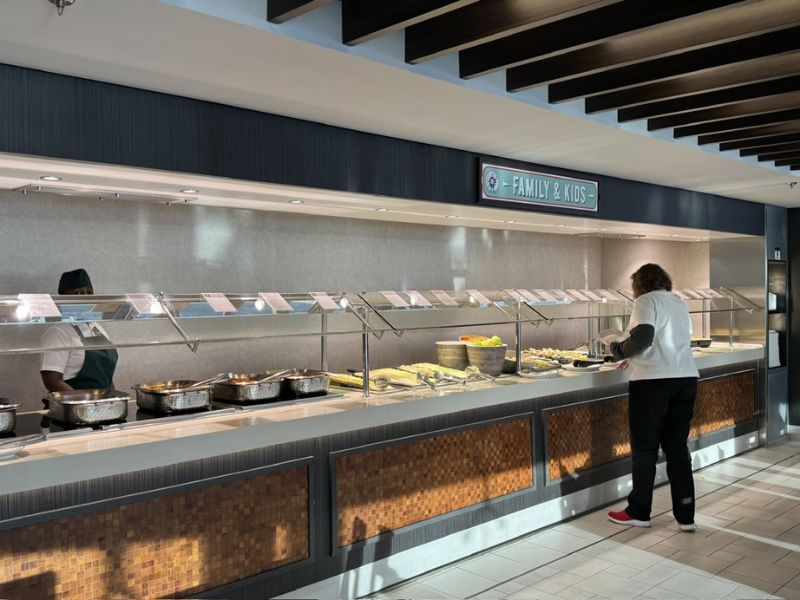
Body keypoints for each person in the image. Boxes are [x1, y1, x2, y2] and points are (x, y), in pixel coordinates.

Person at [606, 263, 699, 532]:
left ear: (639, 285)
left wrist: (618, 349)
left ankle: (639, 512)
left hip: (653, 382)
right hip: (685, 378)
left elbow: (644, 337)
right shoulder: (679, 302)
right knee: (677, 449)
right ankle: (685, 516)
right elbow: (669, 340)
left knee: (645, 450)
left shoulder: (645, 301)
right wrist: (633, 355)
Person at [40, 269, 118, 392]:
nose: (86, 298)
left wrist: (112, 398)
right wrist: (83, 403)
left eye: (89, 292)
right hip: (73, 408)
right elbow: (52, 381)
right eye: (79, 293)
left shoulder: (98, 328)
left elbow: (105, 377)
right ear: (65, 298)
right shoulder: (58, 332)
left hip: (102, 406)